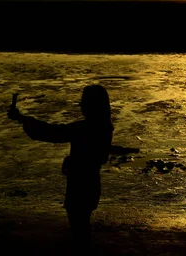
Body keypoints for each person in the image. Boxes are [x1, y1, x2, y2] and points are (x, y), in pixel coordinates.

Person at [7, 85, 114, 251]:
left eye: (84, 102)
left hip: (80, 185)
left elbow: (53, 132)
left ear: (92, 105)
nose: (81, 105)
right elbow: (98, 156)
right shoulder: (104, 127)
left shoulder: (85, 128)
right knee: (81, 226)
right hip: (91, 184)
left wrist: (22, 118)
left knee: (79, 229)